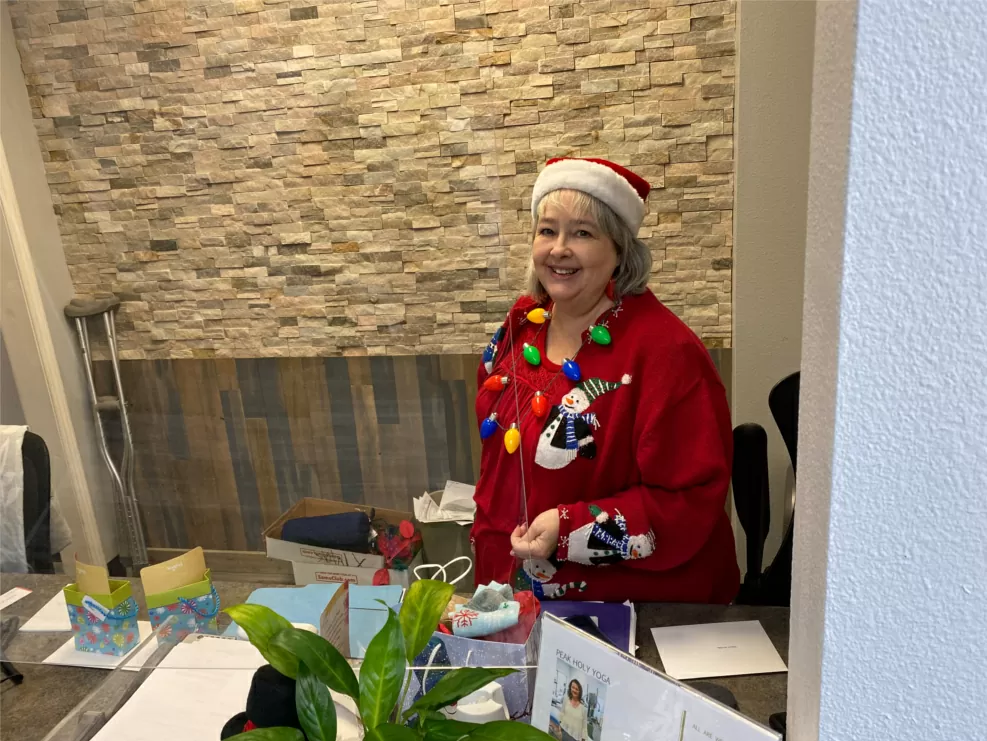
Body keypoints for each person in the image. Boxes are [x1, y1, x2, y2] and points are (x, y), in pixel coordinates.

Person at [472, 157, 740, 603]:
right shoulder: (521, 324)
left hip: (630, 609)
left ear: (619, 251)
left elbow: (689, 500)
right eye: (547, 230)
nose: (559, 249)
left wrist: (569, 528)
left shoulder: (667, 353)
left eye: (583, 233)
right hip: (516, 594)